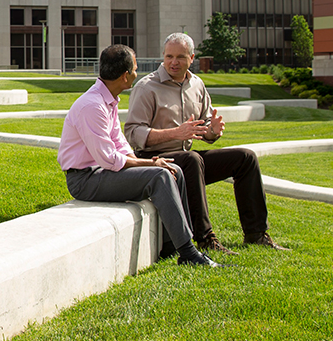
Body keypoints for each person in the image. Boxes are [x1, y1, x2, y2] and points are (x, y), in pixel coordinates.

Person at [58, 44, 222, 267]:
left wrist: (155, 164)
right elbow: (109, 159)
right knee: (160, 176)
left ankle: (173, 247)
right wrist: (152, 162)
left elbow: (121, 144)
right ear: (126, 76)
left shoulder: (108, 101)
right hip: (85, 179)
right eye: (135, 69)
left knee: (174, 170)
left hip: (101, 173)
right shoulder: (92, 106)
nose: (137, 73)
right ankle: (189, 254)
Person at [123, 32, 288, 253]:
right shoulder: (146, 87)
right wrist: (175, 133)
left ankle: (256, 234)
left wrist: (212, 132)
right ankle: (206, 238)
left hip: (188, 162)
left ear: (192, 58)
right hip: (154, 160)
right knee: (192, 159)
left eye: (180, 57)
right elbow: (133, 132)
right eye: (169, 56)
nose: (174, 62)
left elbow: (206, 124)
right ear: (163, 56)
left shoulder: (197, 85)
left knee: (245, 157)